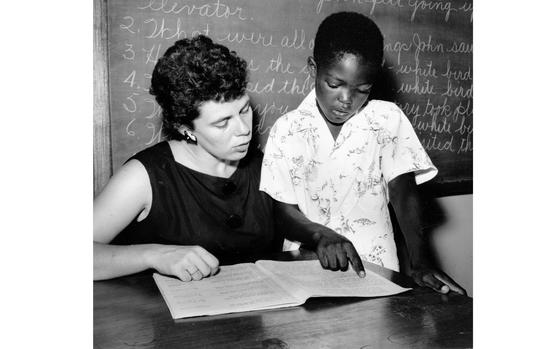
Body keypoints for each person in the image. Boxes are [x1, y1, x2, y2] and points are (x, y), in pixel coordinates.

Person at [94, 35, 364, 282]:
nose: (244, 129)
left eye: (244, 110)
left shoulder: (261, 164)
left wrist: (321, 234)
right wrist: (153, 255)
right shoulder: (143, 176)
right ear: (185, 128)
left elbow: (288, 217)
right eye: (223, 123)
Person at [260, 12, 466, 295]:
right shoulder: (286, 129)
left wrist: (420, 262)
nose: (346, 100)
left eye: (362, 90)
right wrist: (321, 235)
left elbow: (403, 194)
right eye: (334, 85)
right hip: (304, 272)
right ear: (313, 68)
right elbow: (282, 212)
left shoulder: (386, 119)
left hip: (377, 273)